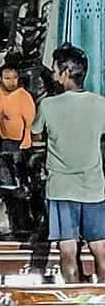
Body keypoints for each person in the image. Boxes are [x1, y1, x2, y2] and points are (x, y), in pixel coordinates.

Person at [31, 45, 105, 282]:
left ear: (65, 73)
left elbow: (35, 136)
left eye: (55, 70)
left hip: (60, 189)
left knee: (68, 250)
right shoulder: (101, 104)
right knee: (100, 249)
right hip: (93, 188)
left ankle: (73, 299)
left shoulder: (48, 105)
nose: (53, 74)